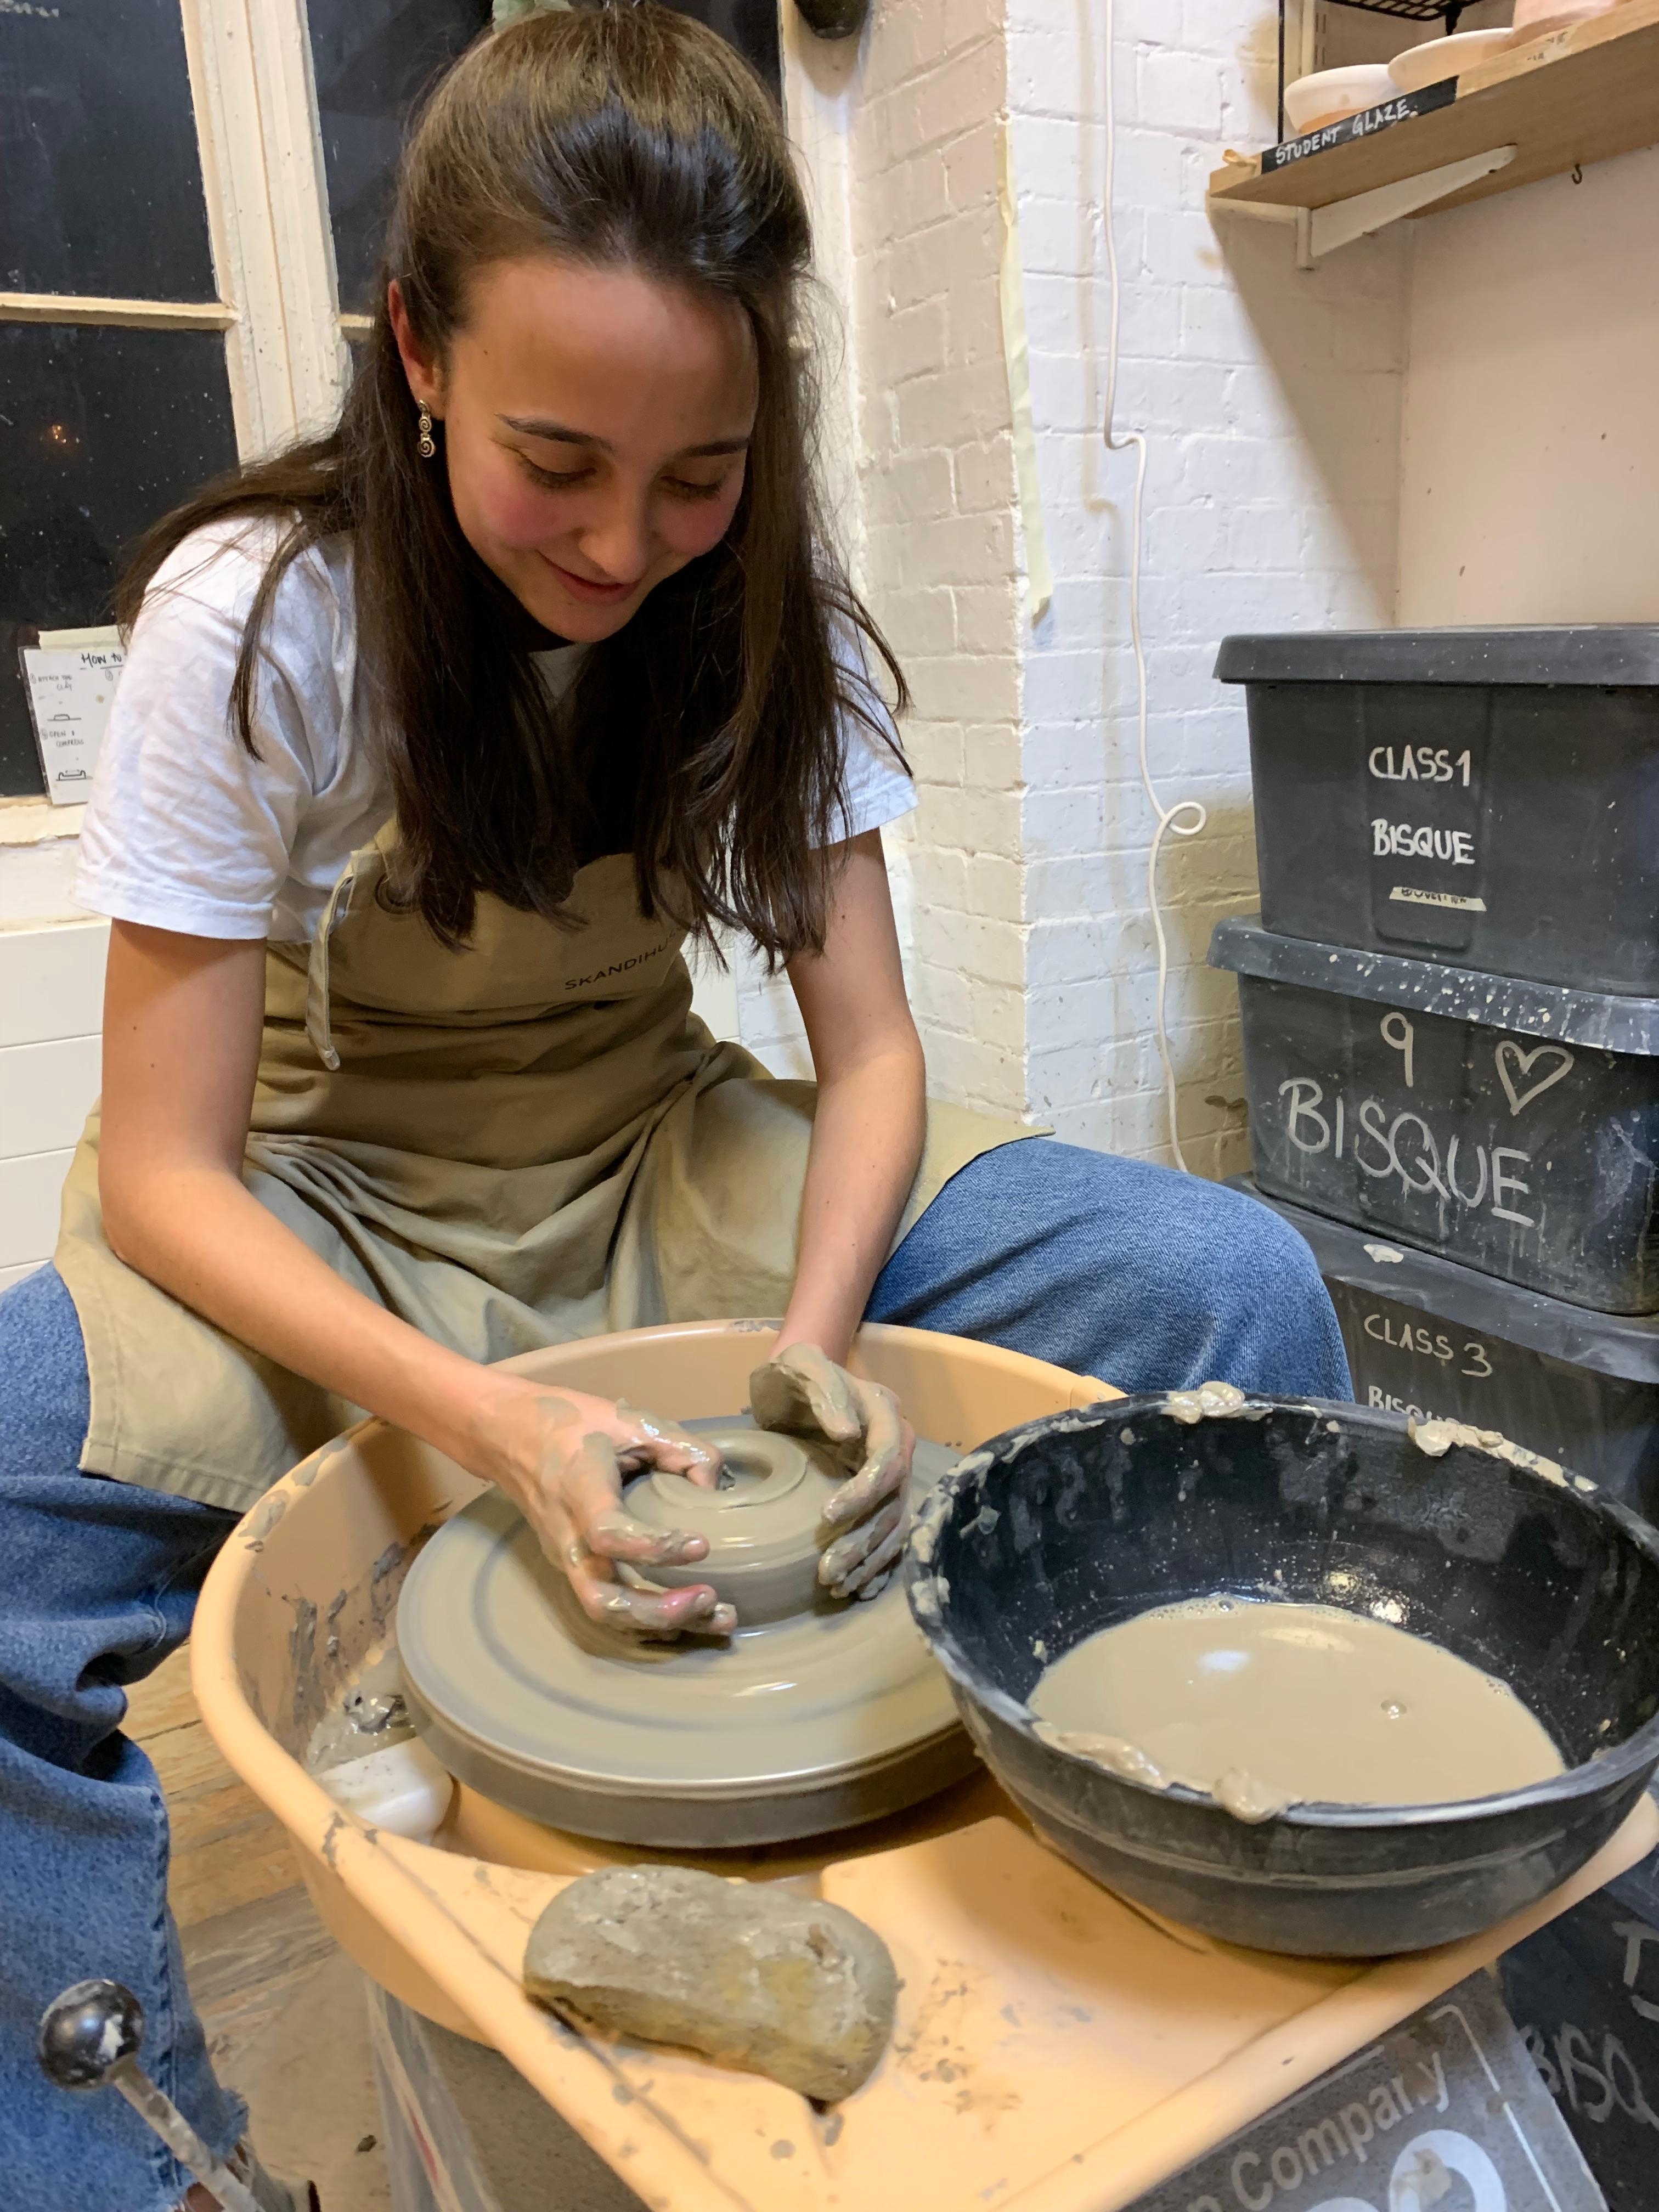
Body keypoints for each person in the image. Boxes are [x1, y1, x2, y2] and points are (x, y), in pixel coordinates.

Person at [0, 10, 1350, 2207]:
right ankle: (134, 2165)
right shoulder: (260, 621)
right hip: (322, 1206)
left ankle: (1201, 1972)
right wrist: (500, 1421)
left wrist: (811, 1346)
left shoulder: (762, 618)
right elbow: (162, 1168)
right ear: (417, 350)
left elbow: (875, 1051)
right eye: (559, 460)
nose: (628, 543)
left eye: (698, 476)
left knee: (1221, 1278)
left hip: (648, 1153)